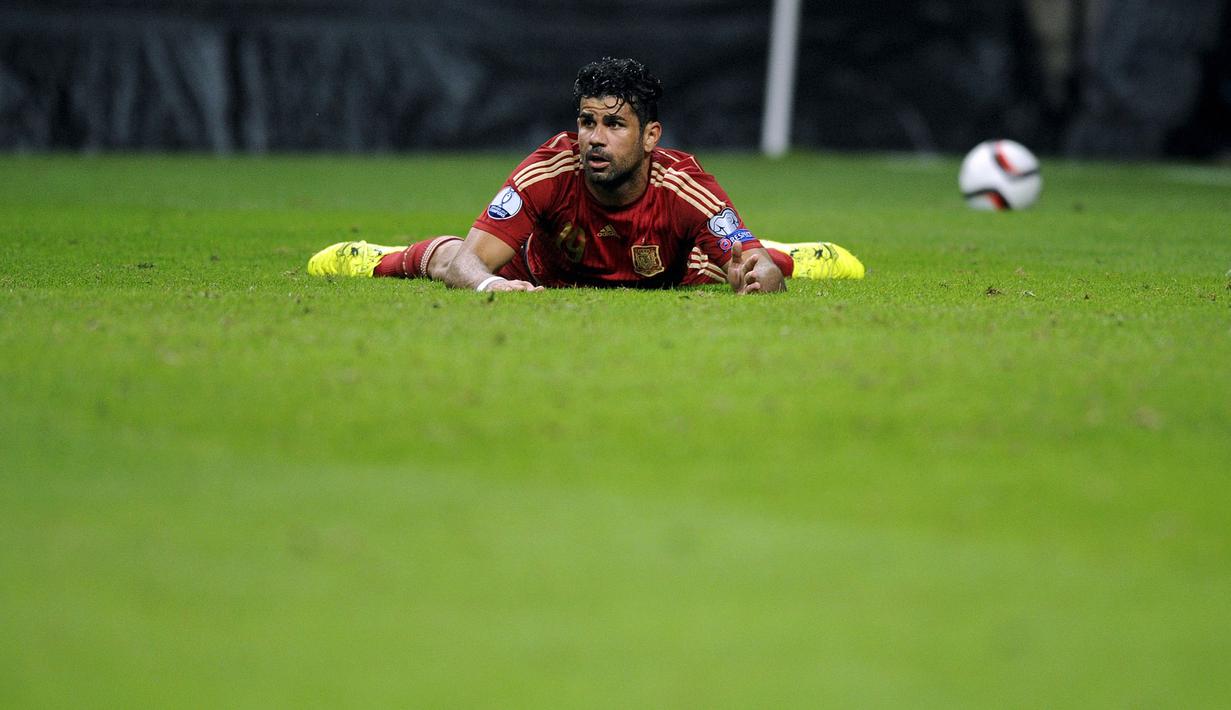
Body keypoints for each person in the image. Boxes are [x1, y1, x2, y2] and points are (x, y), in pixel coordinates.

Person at [307, 57, 864, 293]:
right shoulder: (548, 169)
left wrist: (764, 274)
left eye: (614, 124)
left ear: (651, 137)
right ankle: (378, 257)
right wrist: (491, 285)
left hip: (660, 274)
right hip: (551, 273)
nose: (594, 137)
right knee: (446, 256)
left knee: (717, 270)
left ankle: (796, 251)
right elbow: (470, 259)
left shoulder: (684, 184)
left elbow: (752, 266)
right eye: (586, 121)